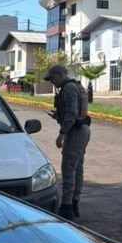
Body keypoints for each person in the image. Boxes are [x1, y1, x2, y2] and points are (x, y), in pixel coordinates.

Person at [44, 65, 90, 221]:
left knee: (68, 168)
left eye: (53, 78)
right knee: (77, 168)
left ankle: (67, 206)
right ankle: (74, 203)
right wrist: (58, 115)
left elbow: (71, 113)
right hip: (81, 128)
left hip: (75, 130)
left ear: (61, 75)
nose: (52, 82)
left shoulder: (69, 88)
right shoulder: (74, 86)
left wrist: (61, 134)